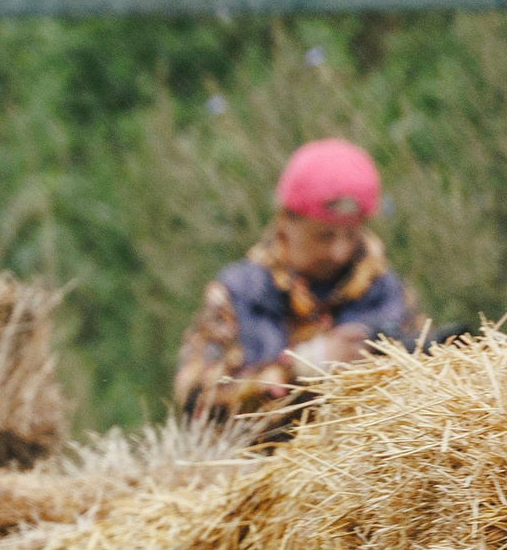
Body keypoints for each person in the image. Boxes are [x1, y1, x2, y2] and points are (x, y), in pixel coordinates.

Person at [174, 138, 426, 426]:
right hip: (262, 466)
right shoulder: (238, 294)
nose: (338, 251)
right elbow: (194, 400)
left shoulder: (389, 296)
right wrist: (300, 368)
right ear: (286, 221)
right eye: (324, 236)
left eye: (351, 235)